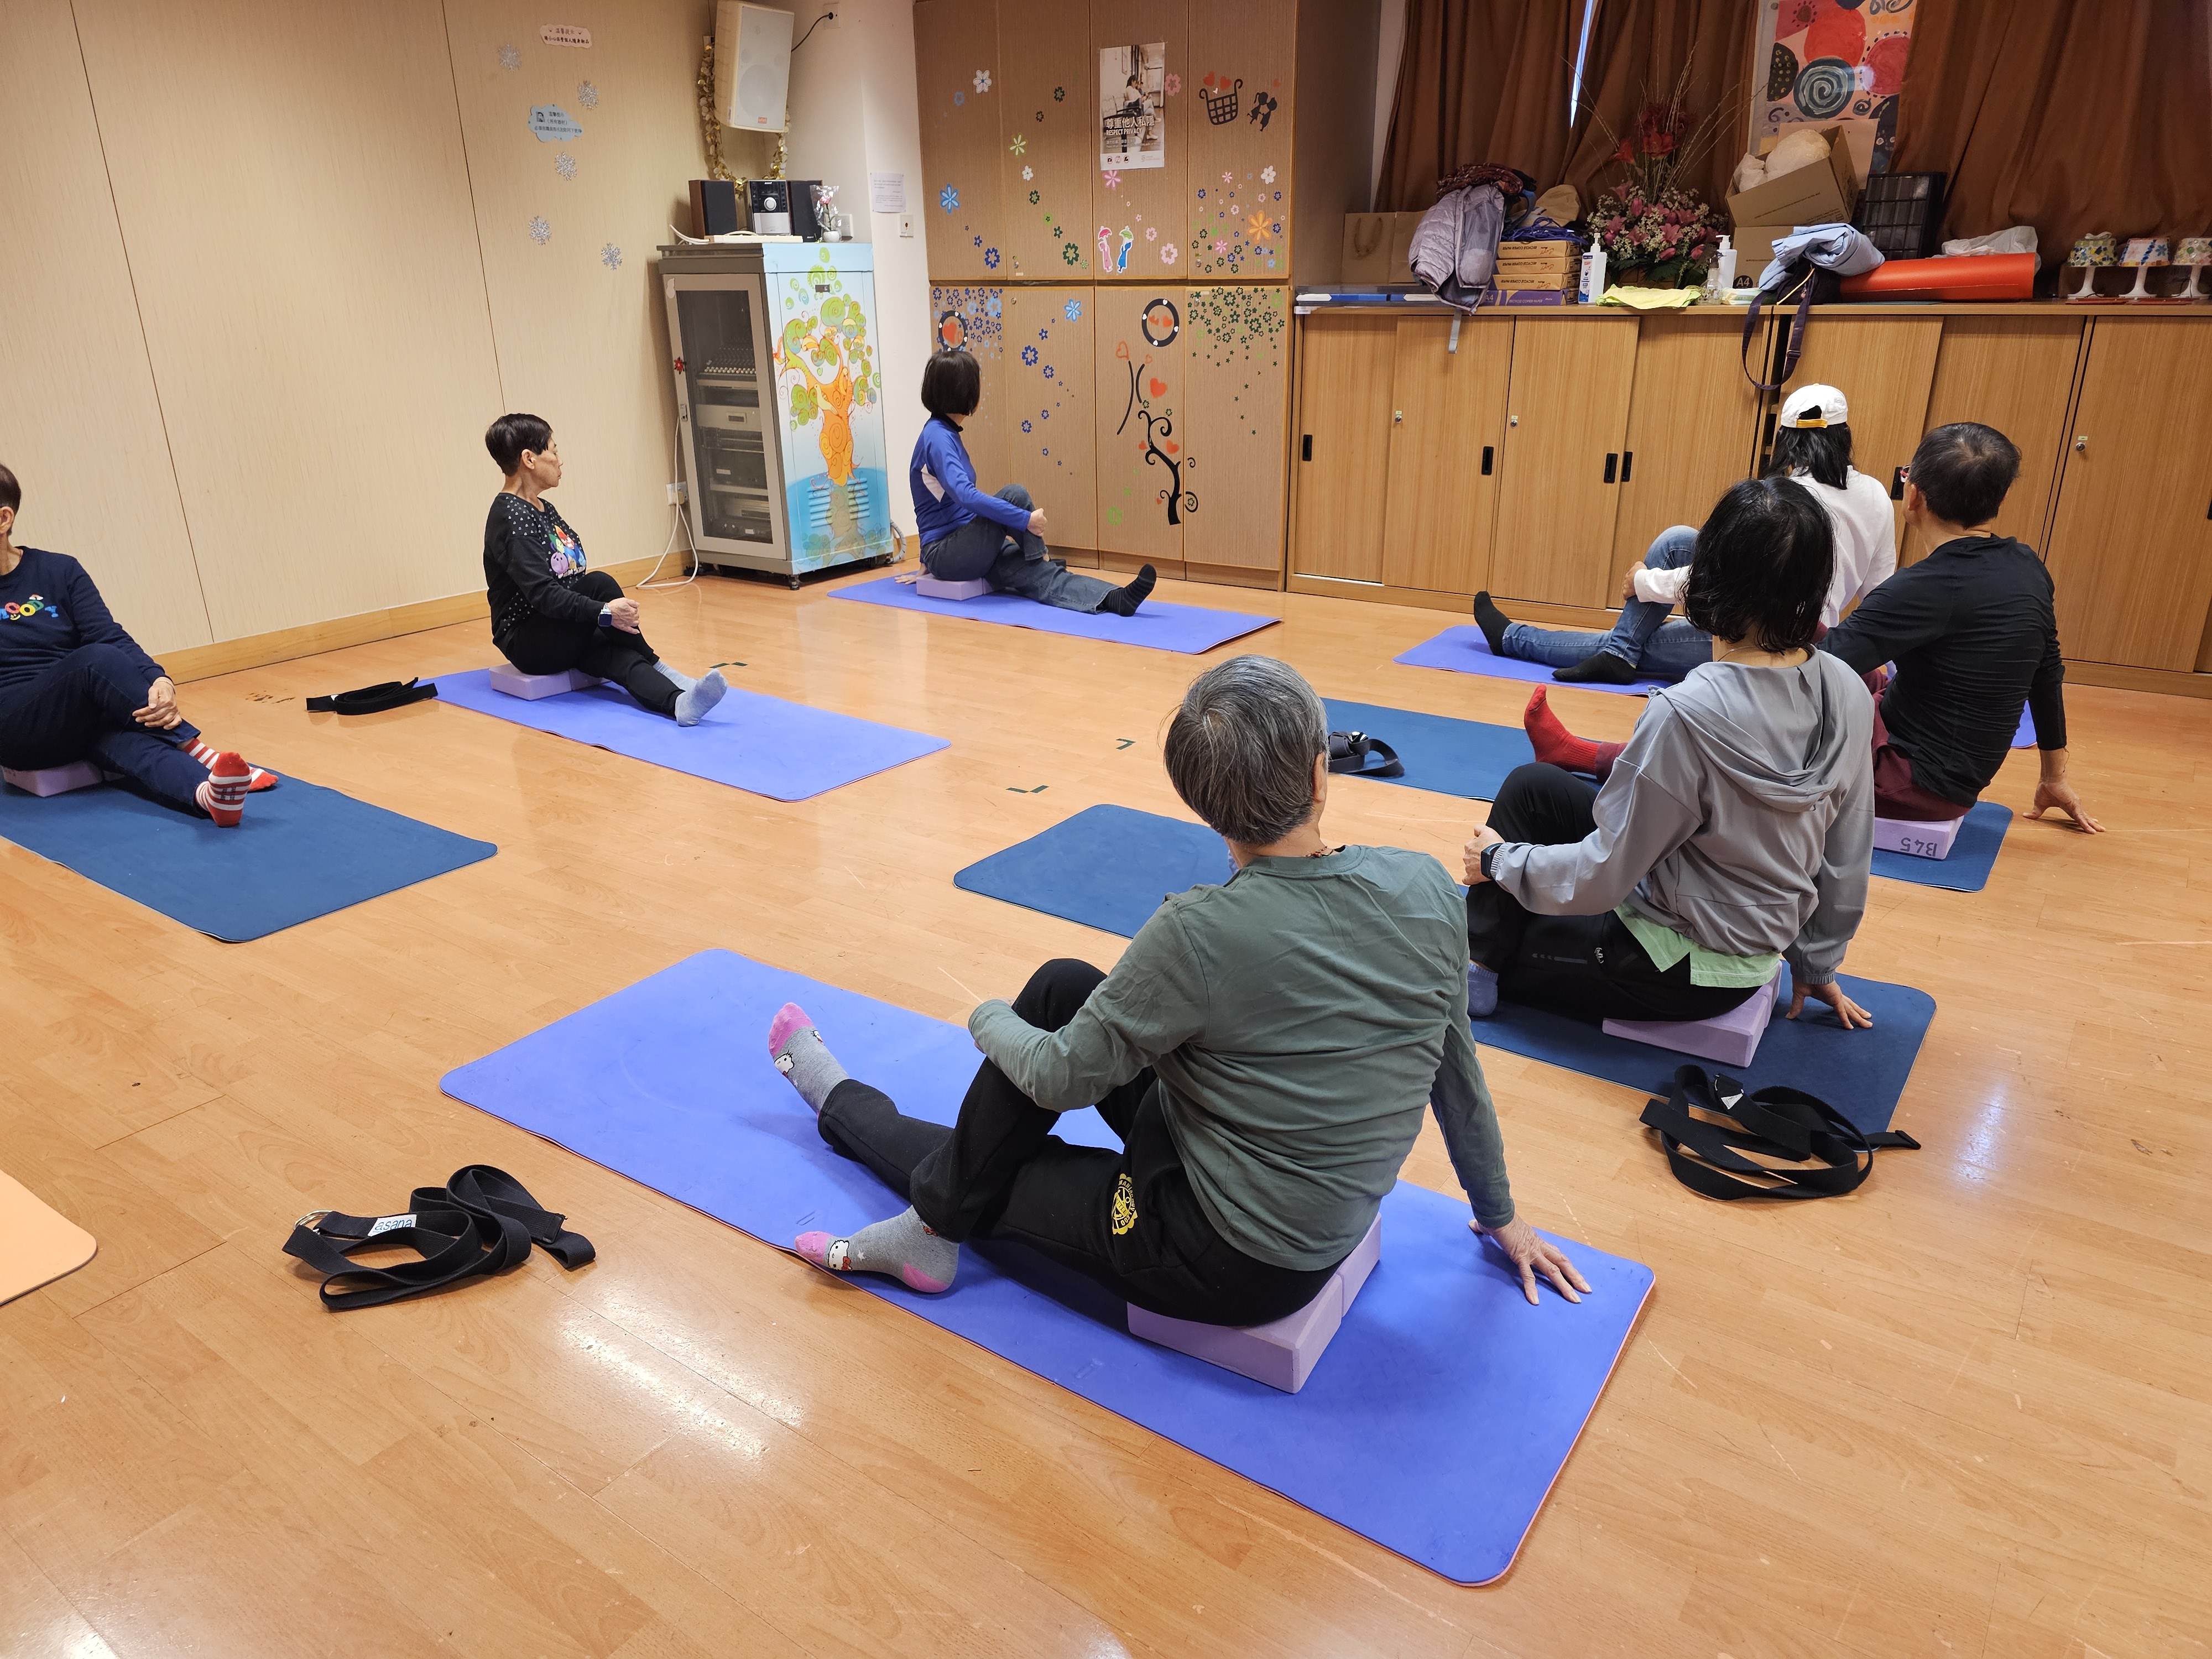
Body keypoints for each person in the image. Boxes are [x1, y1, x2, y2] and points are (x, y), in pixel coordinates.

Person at [765, 654, 1590, 1315]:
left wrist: (983, 1015)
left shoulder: (1196, 931)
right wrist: (1502, 1214)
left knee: (988, 1172)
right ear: (1320, 775)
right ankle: (940, 1215)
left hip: (1230, 1257)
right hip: (1266, 1176)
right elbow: (1457, 1071)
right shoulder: (1426, 886)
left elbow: (1058, 1079)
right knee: (1061, 985)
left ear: (1203, 807)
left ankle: (883, 1163)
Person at [1465, 477, 1876, 1032]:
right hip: (1741, 936)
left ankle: (1476, 961)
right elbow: (1847, 852)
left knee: (1477, 926)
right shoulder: (1846, 687)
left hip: (1670, 968)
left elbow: (1606, 873)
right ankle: (1480, 958)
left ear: (1706, 580)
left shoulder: (1683, 713)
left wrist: (1498, 861)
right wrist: (1815, 962)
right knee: (1532, 786)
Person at [1471, 384, 1898, 685]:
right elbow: (1881, 595)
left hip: (1769, 639)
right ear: (1844, 437)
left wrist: (1644, 581)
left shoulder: (1789, 501)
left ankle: (1516, 640)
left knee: (1634, 643)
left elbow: (1725, 582)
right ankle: (1620, 653)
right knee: (1677, 540)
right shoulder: (1876, 494)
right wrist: (1891, 672)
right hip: (1801, 627)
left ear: (1785, 440)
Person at [1820, 421, 2101, 832]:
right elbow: (2046, 672)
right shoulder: (2028, 567)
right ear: (2001, 498)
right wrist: (2053, 777)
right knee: (1829, 651)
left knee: (1785, 677)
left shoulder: (1922, 588)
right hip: (1948, 775)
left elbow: (1813, 670)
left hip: (1909, 784)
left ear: (1914, 494)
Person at [0, 462, 274, 825]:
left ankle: (209, 796)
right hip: (15, 728)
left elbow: (108, 634)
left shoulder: (60, 570)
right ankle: (197, 749)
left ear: (4, 519)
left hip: (78, 715)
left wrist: (159, 680)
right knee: (95, 660)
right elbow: (100, 654)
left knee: (128, 740)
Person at [482, 414, 727, 725]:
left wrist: (601, 616)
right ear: (529, 459)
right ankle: (661, 667)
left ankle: (679, 704)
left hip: (561, 626)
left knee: (618, 655)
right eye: (554, 451)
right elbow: (544, 595)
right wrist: (604, 611)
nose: (560, 460)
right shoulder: (511, 519)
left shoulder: (542, 508)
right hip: (529, 641)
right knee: (599, 584)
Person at [910, 349, 1155, 616]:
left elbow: (933, 501)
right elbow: (964, 496)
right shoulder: (938, 437)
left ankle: (1114, 598)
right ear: (963, 390)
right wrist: (1025, 520)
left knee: (1037, 573)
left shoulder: (945, 432)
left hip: (970, 545)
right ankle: (1041, 555)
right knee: (1015, 495)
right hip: (949, 554)